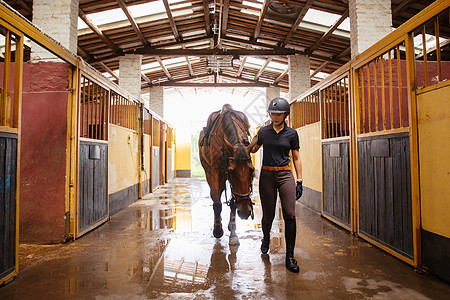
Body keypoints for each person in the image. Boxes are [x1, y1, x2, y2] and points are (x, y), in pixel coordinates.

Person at [248, 97, 303, 273]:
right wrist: (250, 143)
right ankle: (266, 239)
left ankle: (290, 256)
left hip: (286, 174)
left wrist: (299, 181)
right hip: (267, 175)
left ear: (285, 114)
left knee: (290, 215)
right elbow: (253, 149)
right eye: (273, 113)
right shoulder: (264, 132)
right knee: (268, 215)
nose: (275, 116)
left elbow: (296, 157)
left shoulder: (292, 134)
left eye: (279, 114)